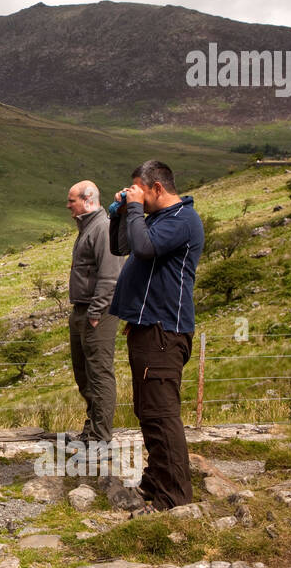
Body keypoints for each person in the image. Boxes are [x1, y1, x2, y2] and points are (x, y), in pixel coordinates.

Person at [108, 160, 204, 512]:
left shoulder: (182, 220)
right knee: (149, 411)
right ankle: (156, 480)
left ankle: (174, 497)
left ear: (157, 188)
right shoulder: (158, 220)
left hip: (165, 330)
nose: (137, 196)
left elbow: (144, 249)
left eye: (139, 190)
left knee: (162, 414)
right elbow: (122, 247)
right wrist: (123, 212)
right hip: (148, 328)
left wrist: (133, 209)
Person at [65, 181, 123, 449]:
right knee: (84, 374)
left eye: (72, 200)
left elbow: (110, 274)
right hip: (82, 309)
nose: (68, 206)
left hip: (96, 311)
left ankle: (101, 436)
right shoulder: (88, 227)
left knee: (99, 373)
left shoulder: (102, 227)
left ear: (88, 200)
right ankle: (91, 430)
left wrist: (97, 312)